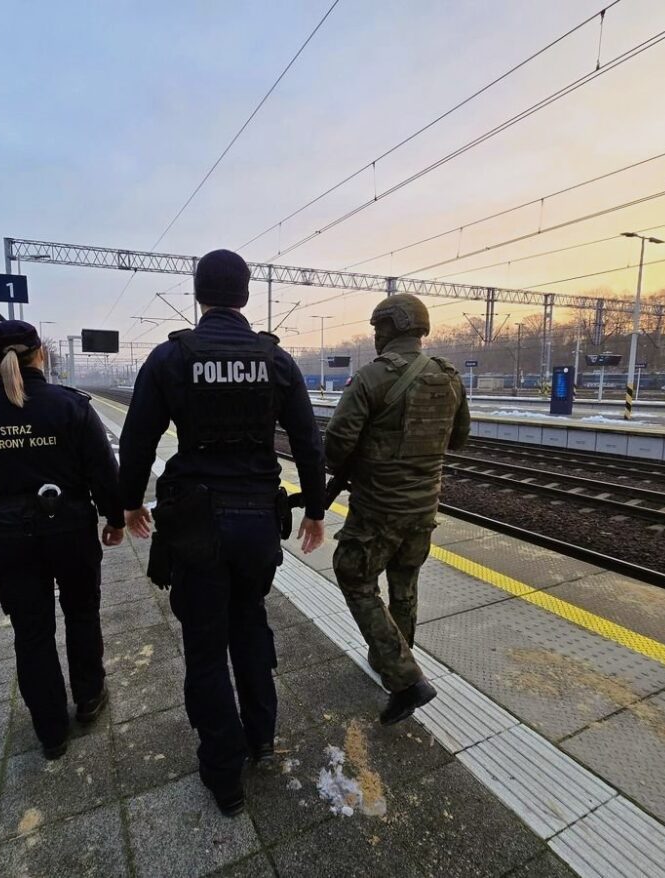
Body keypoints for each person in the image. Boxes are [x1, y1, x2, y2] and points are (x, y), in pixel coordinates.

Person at [118, 249, 327, 817]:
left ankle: (224, 774)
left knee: (206, 646)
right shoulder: (274, 359)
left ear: (197, 293)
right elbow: (308, 439)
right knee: (250, 621)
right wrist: (315, 510)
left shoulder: (170, 358)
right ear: (245, 293)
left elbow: (137, 440)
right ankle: (260, 738)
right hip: (259, 518)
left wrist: (127, 505)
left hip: (197, 524)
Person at [0, 320, 125, 760]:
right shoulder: (70, 406)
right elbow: (103, 471)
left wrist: (1, 479)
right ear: (41, 353)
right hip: (71, 530)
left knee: (31, 632)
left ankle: (50, 731)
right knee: (82, 614)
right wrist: (114, 519)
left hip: (11, 536)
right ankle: (88, 698)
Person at [324, 293, 470, 725]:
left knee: (354, 576)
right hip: (424, 508)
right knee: (403, 584)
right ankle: (390, 660)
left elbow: (335, 448)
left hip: (377, 510)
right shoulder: (448, 376)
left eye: (378, 327)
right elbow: (458, 440)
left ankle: (407, 680)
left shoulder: (372, 378)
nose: (374, 335)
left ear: (392, 326)